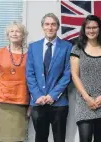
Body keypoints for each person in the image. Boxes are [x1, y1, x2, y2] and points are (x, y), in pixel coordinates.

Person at [26, 13, 72, 142]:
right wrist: (37, 95)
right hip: (38, 101)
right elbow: (30, 73)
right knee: (40, 138)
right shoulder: (33, 47)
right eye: (47, 24)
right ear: (42, 27)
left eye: (53, 24)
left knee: (59, 138)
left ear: (57, 27)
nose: (50, 27)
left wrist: (53, 95)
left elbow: (68, 74)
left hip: (59, 102)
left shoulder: (67, 47)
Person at [70, 15, 101, 142]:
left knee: (99, 139)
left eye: (94, 27)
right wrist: (87, 98)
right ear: (84, 29)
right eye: (88, 27)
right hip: (84, 102)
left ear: (100, 29)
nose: (91, 30)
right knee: (85, 138)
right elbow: (75, 75)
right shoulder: (77, 48)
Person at [0, 21, 30, 142]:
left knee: (19, 138)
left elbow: (33, 81)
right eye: (12, 31)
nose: (14, 34)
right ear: (7, 35)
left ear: (23, 35)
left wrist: (32, 105)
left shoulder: (30, 54)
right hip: (2, 103)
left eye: (18, 31)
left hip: (21, 103)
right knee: (3, 138)